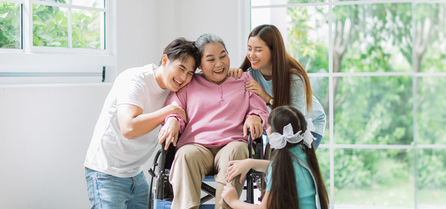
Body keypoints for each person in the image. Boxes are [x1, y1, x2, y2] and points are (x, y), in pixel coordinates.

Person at [84, 38, 200, 209]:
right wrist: (170, 111)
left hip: (135, 174)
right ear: (165, 60)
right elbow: (129, 128)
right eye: (181, 68)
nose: (184, 77)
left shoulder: (176, 89)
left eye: (190, 73)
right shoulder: (134, 80)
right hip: (105, 172)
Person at [162, 33, 269, 209]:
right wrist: (172, 119)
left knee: (237, 149)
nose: (219, 64)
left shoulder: (242, 79)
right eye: (211, 59)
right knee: (184, 155)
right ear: (200, 65)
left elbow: (259, 108)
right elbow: (174, 107)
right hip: (197, 146)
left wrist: (254, 116)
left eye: (223, 55)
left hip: (231, 144)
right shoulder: (190, 83)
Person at [231, 24, 326, 149]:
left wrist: (266, 98)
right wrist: (231, 75)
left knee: (290, 165)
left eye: (258, 50)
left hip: (306, 125)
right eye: (249, 49)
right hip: (276, 127)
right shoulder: (250, 74)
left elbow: (294, 120)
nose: (252, 55)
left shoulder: (294, 78)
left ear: (273, 51)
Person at [222, 106, 329, 209]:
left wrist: (233, 201)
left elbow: (265, 208)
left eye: (268, 126)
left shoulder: (278, 168)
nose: (266, 130)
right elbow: (285, 166)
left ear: (275, 134)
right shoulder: (304, 153)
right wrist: (251, 163)